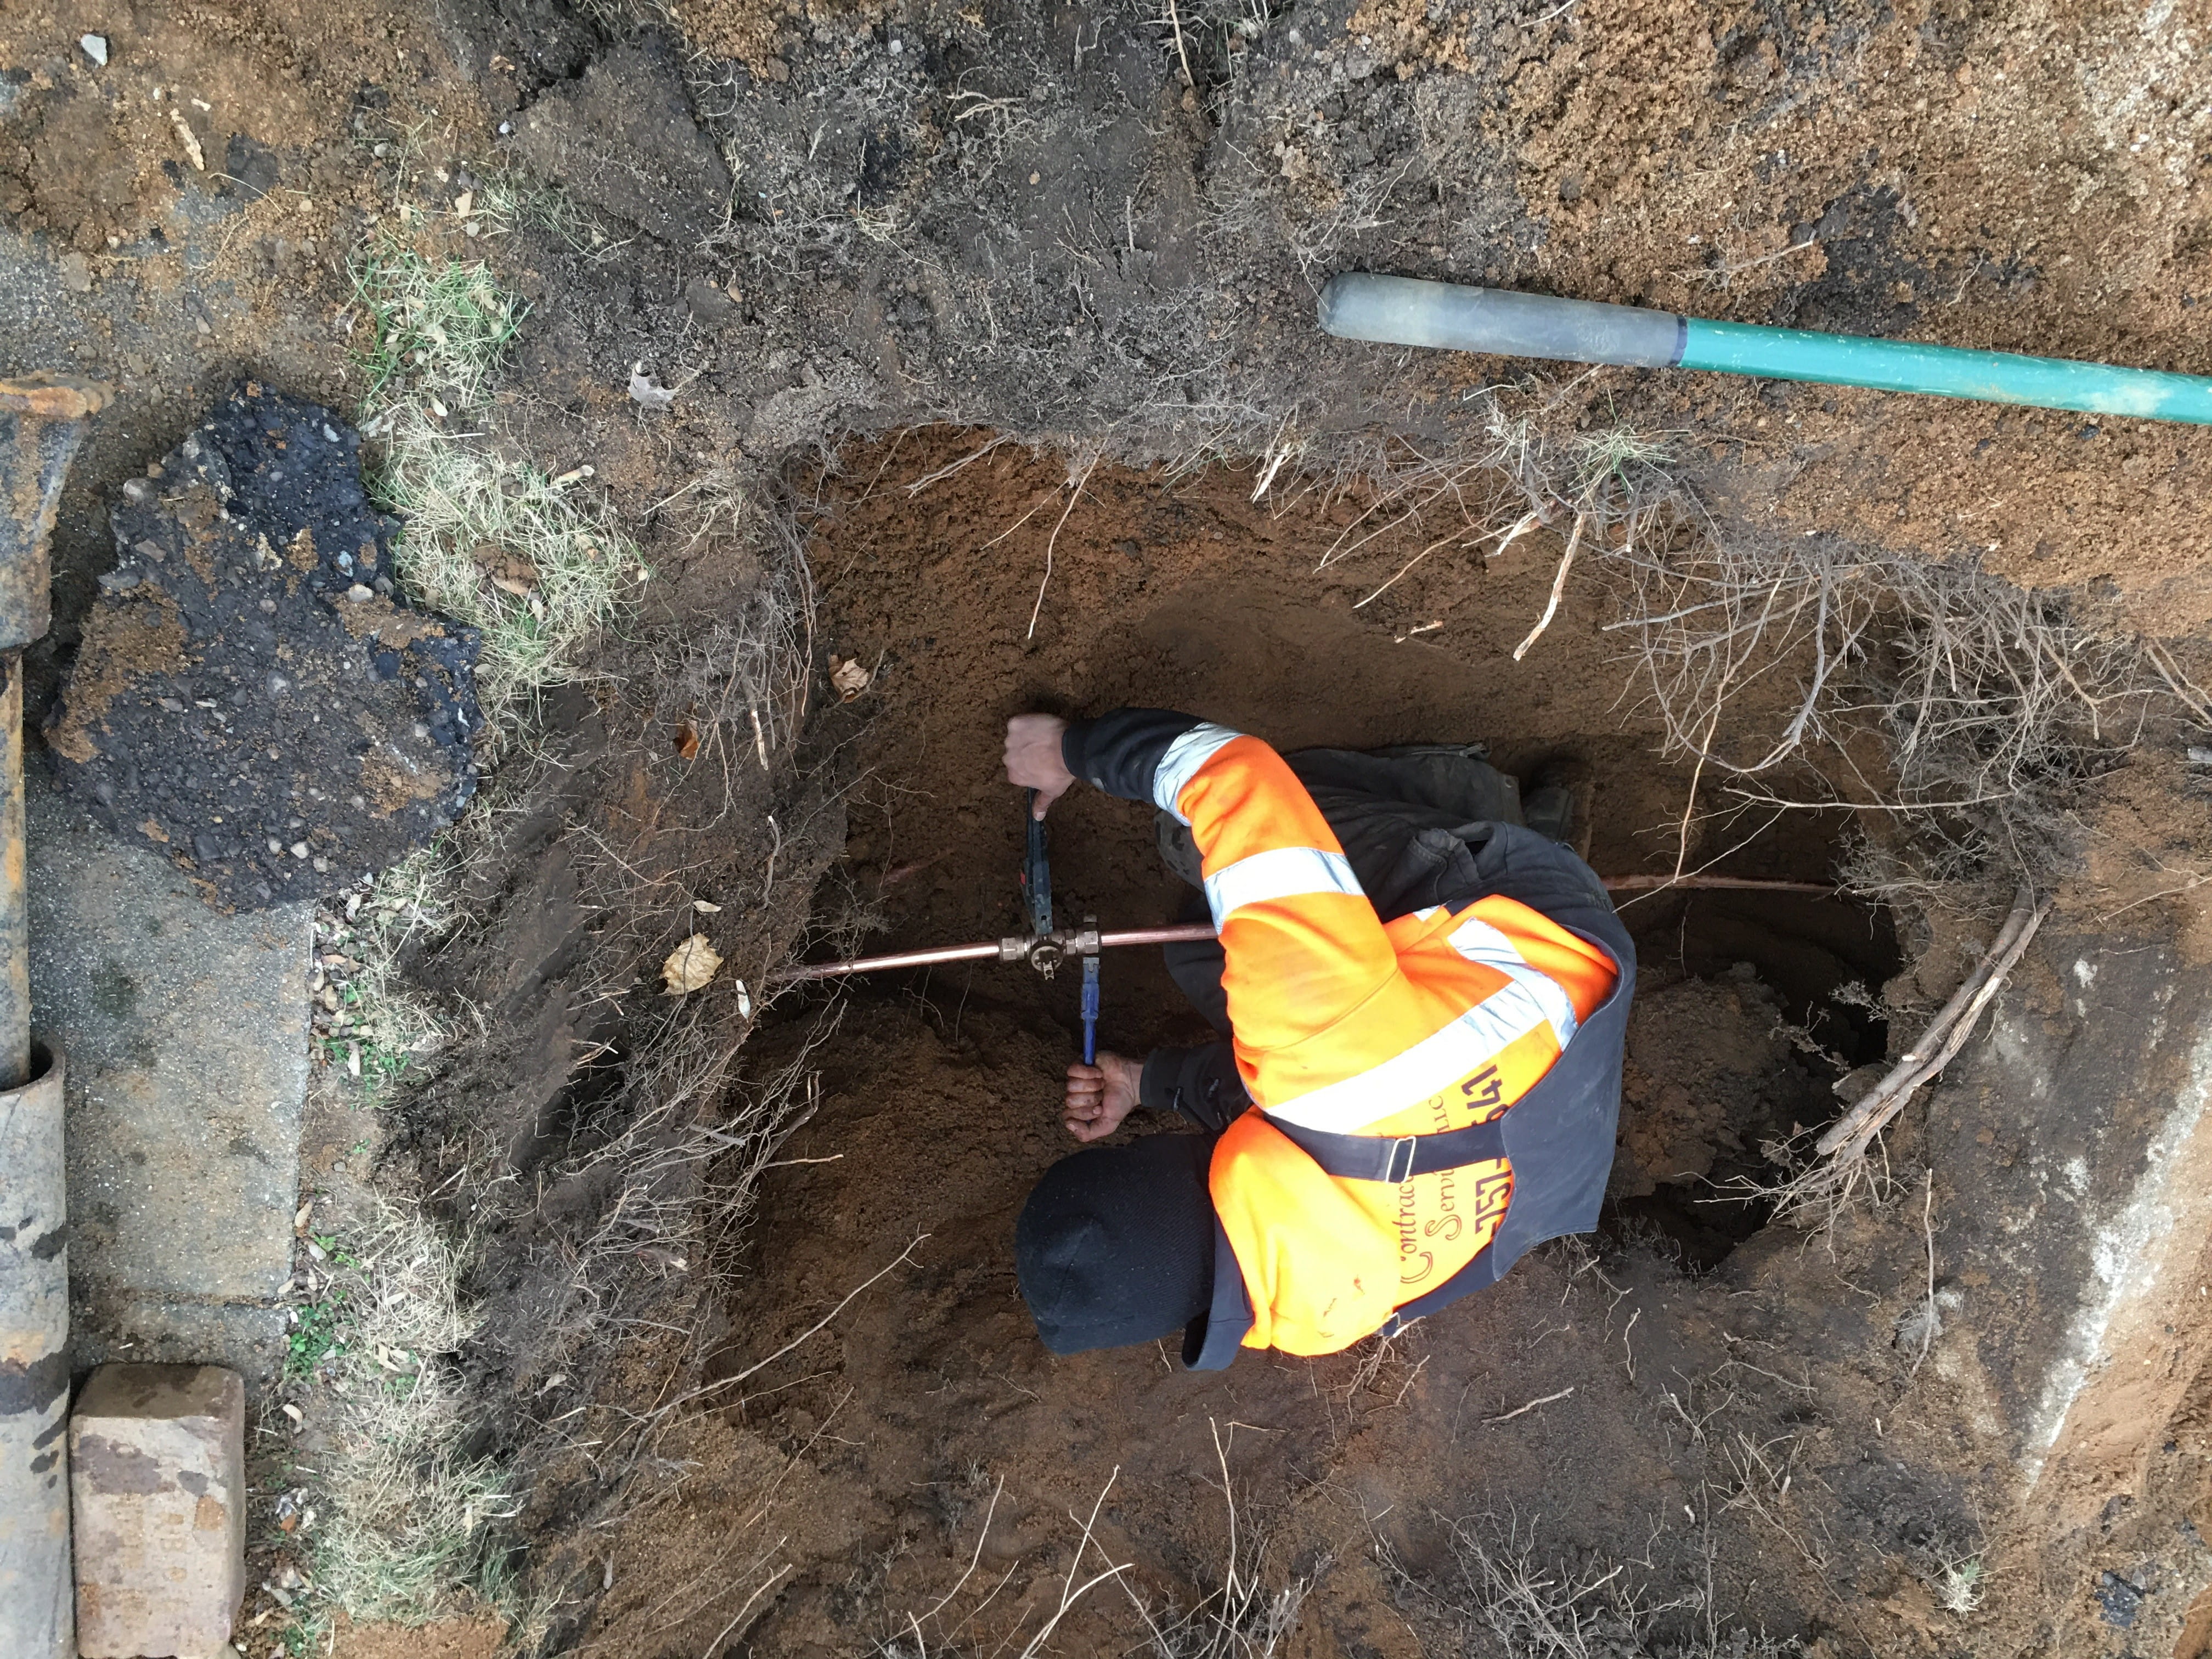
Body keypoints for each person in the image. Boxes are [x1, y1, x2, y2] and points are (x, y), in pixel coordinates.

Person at [1003, 708, 1635, 1369]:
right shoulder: (1312, 1052)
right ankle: (1492, 809)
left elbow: (1287, 1125)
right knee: (1191, 834)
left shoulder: (1338, 1296)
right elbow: (1233, 775)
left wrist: (1143, 1081)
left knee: (1198, 955)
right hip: (1549, 932)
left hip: (1563, 1117)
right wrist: (1072, 749)